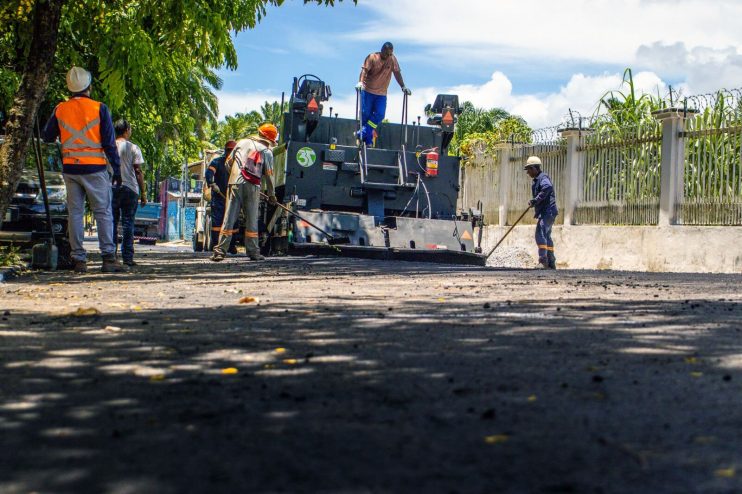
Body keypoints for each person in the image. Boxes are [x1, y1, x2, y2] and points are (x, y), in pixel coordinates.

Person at [42, 66, 126, 273]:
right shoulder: (99, 108)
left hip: (70, 169)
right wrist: (116, 169)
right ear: (89, 85)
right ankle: (108, 258)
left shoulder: (60, 109)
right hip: (95, 169)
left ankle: (78, 260)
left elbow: (46, 136)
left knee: (75, 214)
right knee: (103, 213)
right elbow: (108, 143)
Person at [211, 124, 278, 262]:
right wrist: (272, 195)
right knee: (251, 220)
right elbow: (269, 176)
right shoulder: (267, 152)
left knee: (229, 218)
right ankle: (253, 253)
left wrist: (234, 178)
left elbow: (228, 163)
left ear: (259, 133)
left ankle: (220, 251)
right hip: (253, 186)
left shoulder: (241, 143)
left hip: (234, 183)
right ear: (270, 140)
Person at [356, 41, 411, 147]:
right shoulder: (372, 57)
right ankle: (368, 141)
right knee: (365, 114)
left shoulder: (392, 59)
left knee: (380, 115)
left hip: (381, 94)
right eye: (387, 53)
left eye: (391, 54)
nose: (389, 56)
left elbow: (397, 73)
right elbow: (364, 71)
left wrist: (403, 86)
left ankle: (361, 133)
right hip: (368, 91)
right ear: (382, 50)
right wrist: (360, 82)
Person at [112, 119, 146, 267]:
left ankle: (111, 255)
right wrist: (143, 193)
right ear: (126, 130)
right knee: (128, 224)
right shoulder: (133, 148)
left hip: (111, 188)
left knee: (111, 223)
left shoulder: (108, 147)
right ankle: (127, 258)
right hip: (130, 189)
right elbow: (138, 171)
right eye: (130, 129)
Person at [525, 156, 558, 269]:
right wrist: (534, 201)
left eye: (529, 169)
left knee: (540, 234)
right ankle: (551, 262)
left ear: (534, 168)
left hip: (547, 211)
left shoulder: (542, 178)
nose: (528, 173)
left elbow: (547, 187)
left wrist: (536, 200)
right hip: (549, 212)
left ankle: (543, 261)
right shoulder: (538, 179)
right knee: (547, 236)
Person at [205, 140, 238, 252]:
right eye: (229, 150)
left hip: (233, 198)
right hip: (219, 198)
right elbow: (209, 173)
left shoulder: (238, 165)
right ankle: (217, 245)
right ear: (226, 150)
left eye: (232, 150)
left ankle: (231, 246)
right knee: (217, 224)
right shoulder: (217, 162)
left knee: (233, 223)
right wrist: (212, 183)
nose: (230, 152)